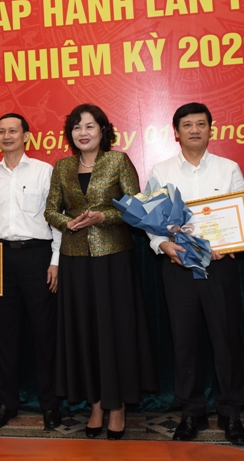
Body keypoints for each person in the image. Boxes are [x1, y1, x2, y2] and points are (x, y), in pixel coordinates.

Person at [44, 104, 156, 440]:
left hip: (113, 260)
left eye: (90, 126)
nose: (83, 132)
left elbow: (136, 208)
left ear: (103, 131)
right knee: (85, 331)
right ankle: (95, 404)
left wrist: (104, 216)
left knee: (115, 331)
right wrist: (69, 223)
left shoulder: (118, 161)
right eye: (77, 127)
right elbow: (50, 209)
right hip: (75, 260)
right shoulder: (62, 166)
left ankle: (117, 406)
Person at [146, 103, 244, 445]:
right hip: (179, 267)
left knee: (226, 340)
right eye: (187, 125)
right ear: (176, 133)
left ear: (210, 129)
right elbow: (150, 220)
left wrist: (233, 242)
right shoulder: (161, 170)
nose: (194, 130)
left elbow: (243, 213)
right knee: (184, 342)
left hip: (220, 266)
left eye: (200, 124)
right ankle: (192, 411)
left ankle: (230, 412)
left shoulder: (228, 168)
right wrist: (162, 245)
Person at [0, 113, 62, 431]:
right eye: (1, 131)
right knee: (3, 336)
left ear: (26, 136)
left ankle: (50, 404)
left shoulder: (43, 171)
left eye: (13, 130)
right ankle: (6, 403)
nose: (7, 136)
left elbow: (56, 217)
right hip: (1, 258)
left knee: (44, 334)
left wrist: (56, 260)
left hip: (38, 257)